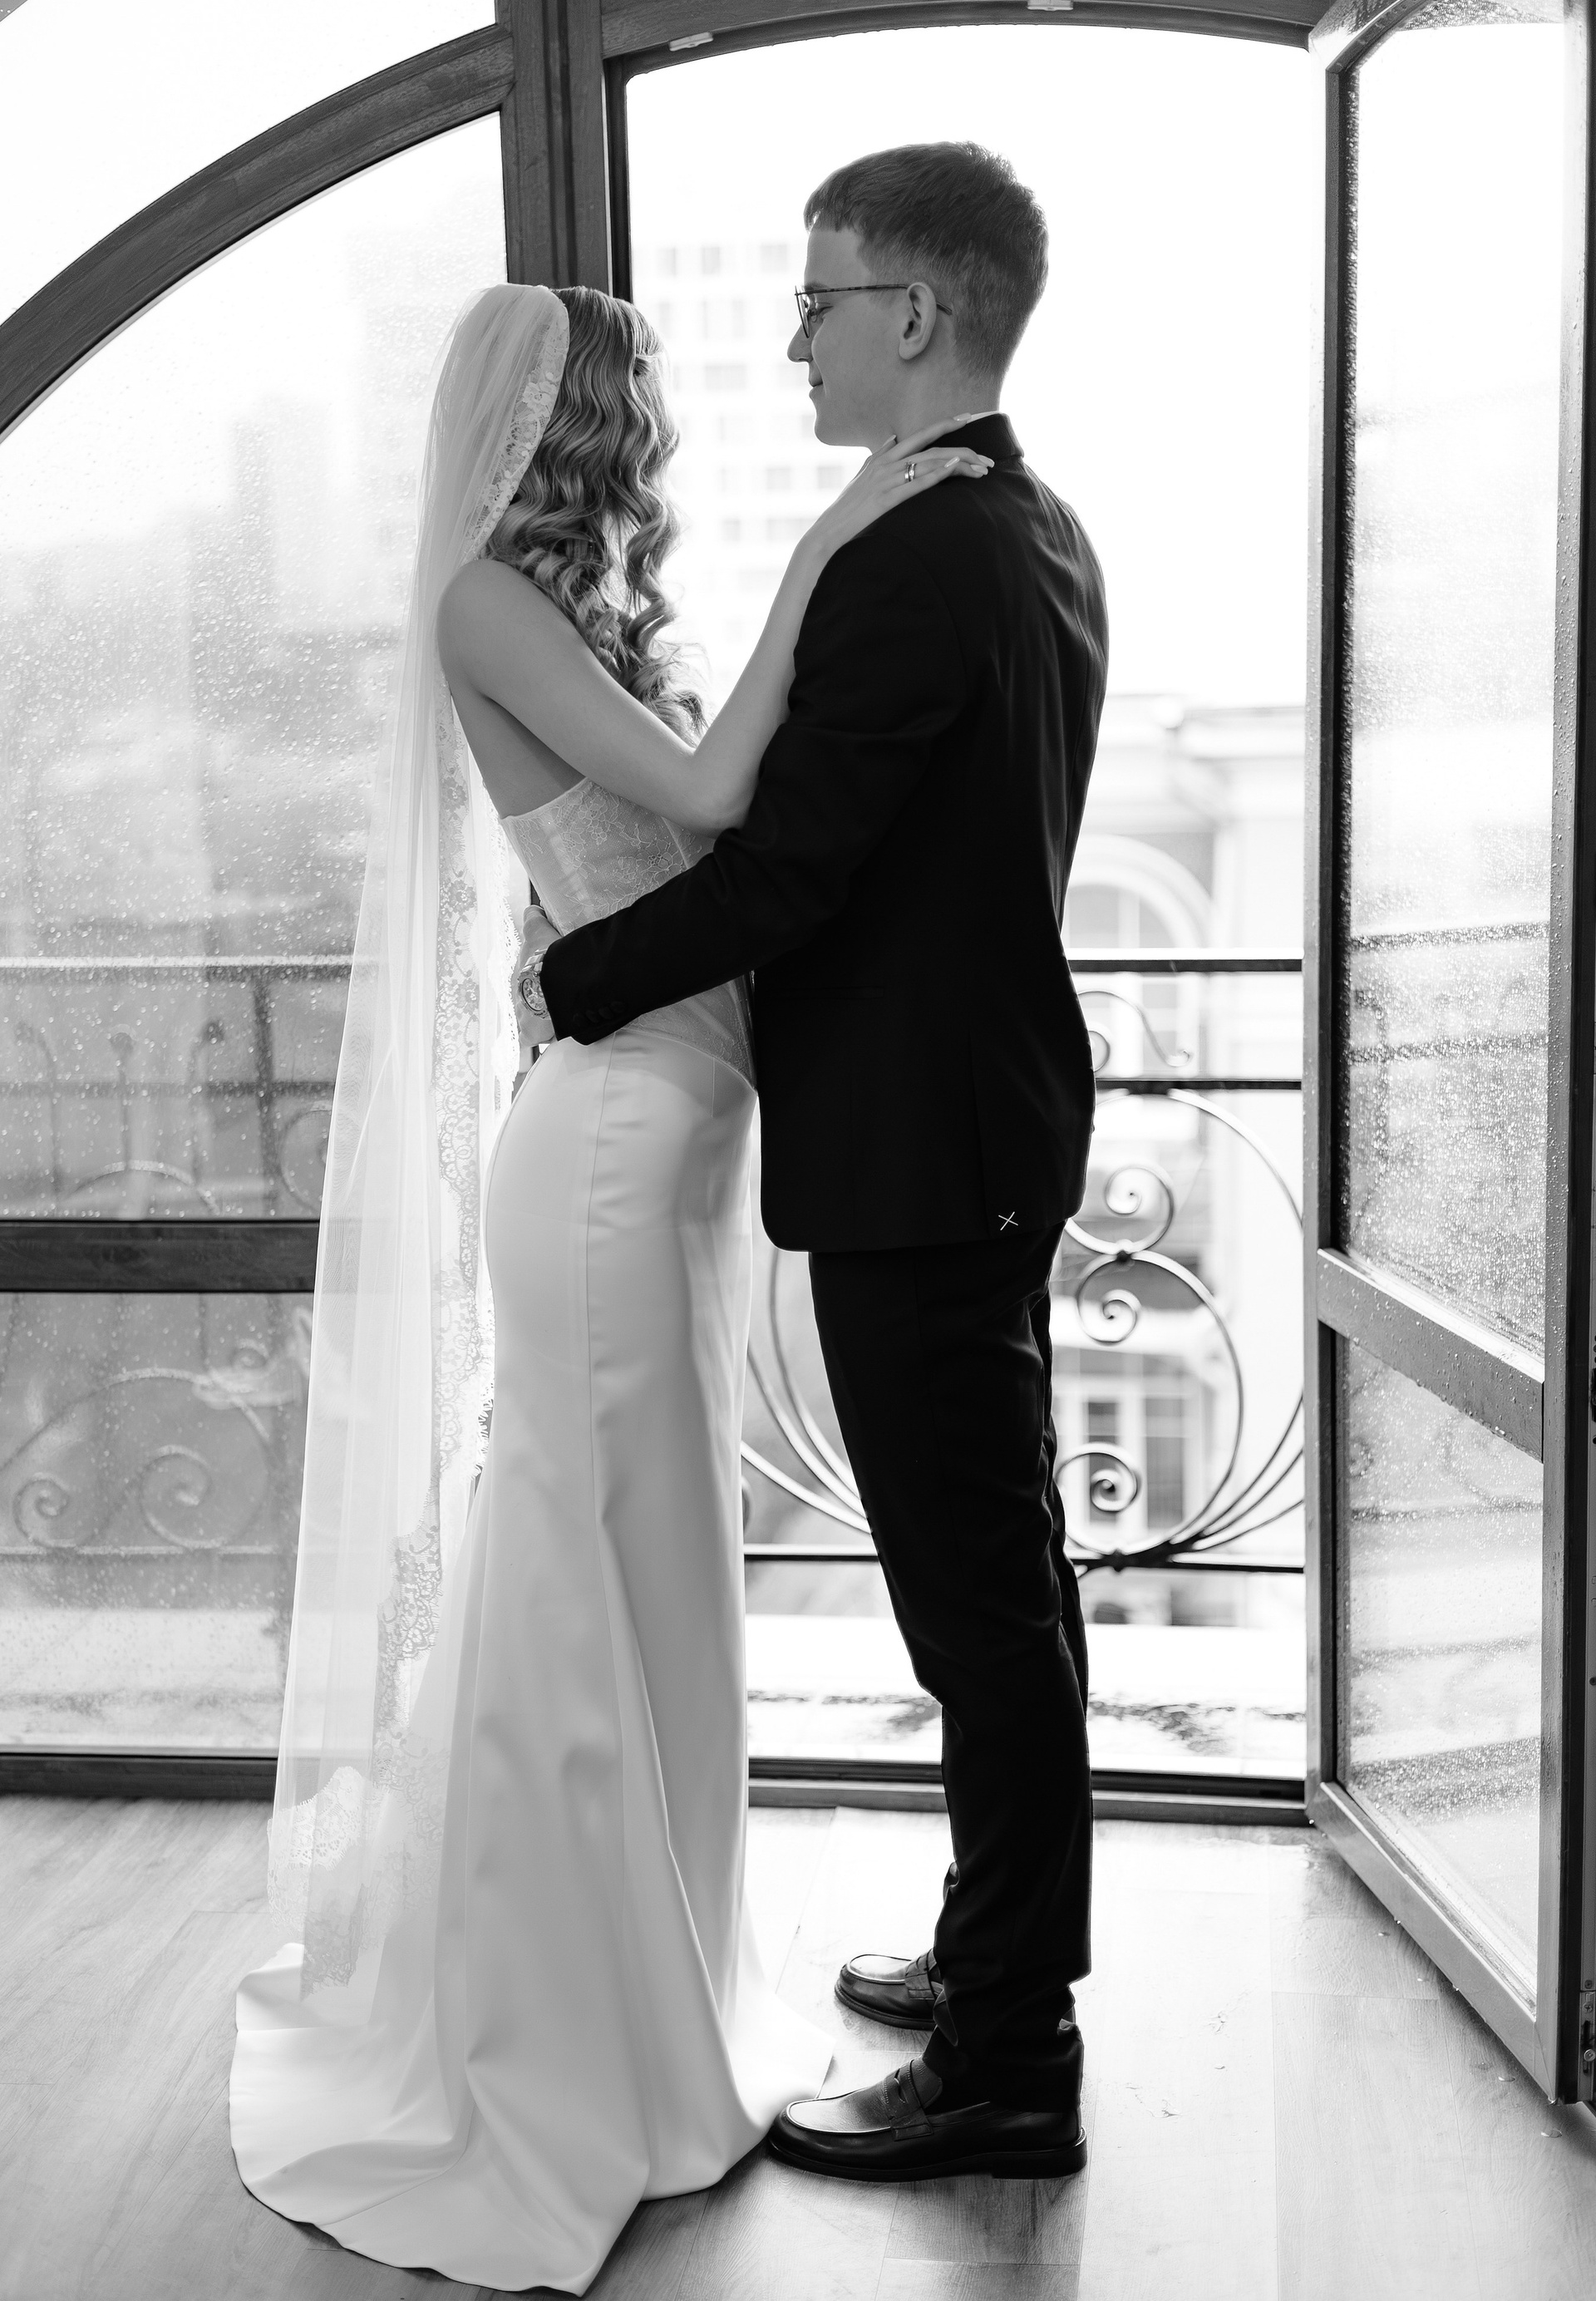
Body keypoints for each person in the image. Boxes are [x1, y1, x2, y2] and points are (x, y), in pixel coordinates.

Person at [228, 278, 988, 2294]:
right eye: (640, 387)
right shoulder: (487, 602)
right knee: (583, 1562)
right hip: (607, 1150)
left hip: (681, 1123)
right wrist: (836, 545)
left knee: (659, 1577)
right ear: (572, 419)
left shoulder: (577, 612)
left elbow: (713, 830)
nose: (669, 411)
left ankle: (656, 1995)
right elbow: (718, 803)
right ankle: (562, 2041)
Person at [521, 140, 1110, 2183]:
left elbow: (789, 870)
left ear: (916, 313)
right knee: (1008, 1590)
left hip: (925, 1157)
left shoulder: (915, 556)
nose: (796, 340)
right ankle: (994, 1957)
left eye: (819, 300)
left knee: (979, 1615)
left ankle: (1012, 2065)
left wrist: (577, 975)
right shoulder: (1030, 526)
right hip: (983, 1128)